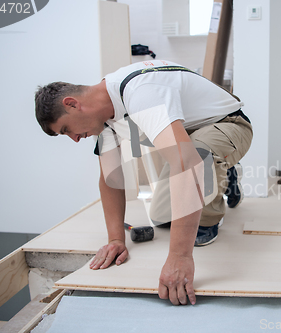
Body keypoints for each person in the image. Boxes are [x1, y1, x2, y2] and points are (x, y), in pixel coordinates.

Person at [34, 60, 253, 306]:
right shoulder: (104, 118)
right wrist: (116, 239)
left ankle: (217, 177)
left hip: (228, 124)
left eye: (66, 129)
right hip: (188, 137)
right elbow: (112, 178)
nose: (74, 139)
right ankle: (224, 173)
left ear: (72, 104)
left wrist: (179, 257)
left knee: (197, 168)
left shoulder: (140, 93)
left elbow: (188, 164)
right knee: (162, 217)